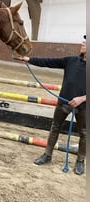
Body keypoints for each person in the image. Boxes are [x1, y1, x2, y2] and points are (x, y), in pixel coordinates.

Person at [17, 35, 86, 175]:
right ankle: (47, 155)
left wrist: (82, 99)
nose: (83, 43)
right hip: (63, 102)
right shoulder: (70, 61)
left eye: (86, 42)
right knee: (55, 127)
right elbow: (49, 62)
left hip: (84, 106)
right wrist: (29, 60)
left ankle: (80, 161)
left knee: (85, 134)